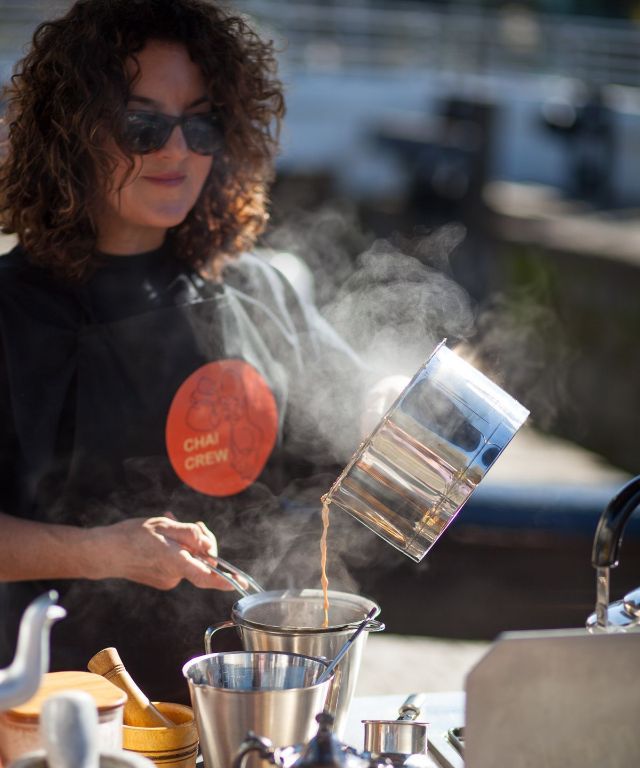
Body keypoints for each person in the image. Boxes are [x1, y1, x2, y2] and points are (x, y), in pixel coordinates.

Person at [0, 0, 368, 702]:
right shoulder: (9, 312)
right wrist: (99, 551)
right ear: (72, 134)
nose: (176, 150)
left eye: (200, 123)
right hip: (66, 716)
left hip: (246, 701)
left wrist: (393, 408)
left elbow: (351, 434)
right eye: (143, 124)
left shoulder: (260, 290)